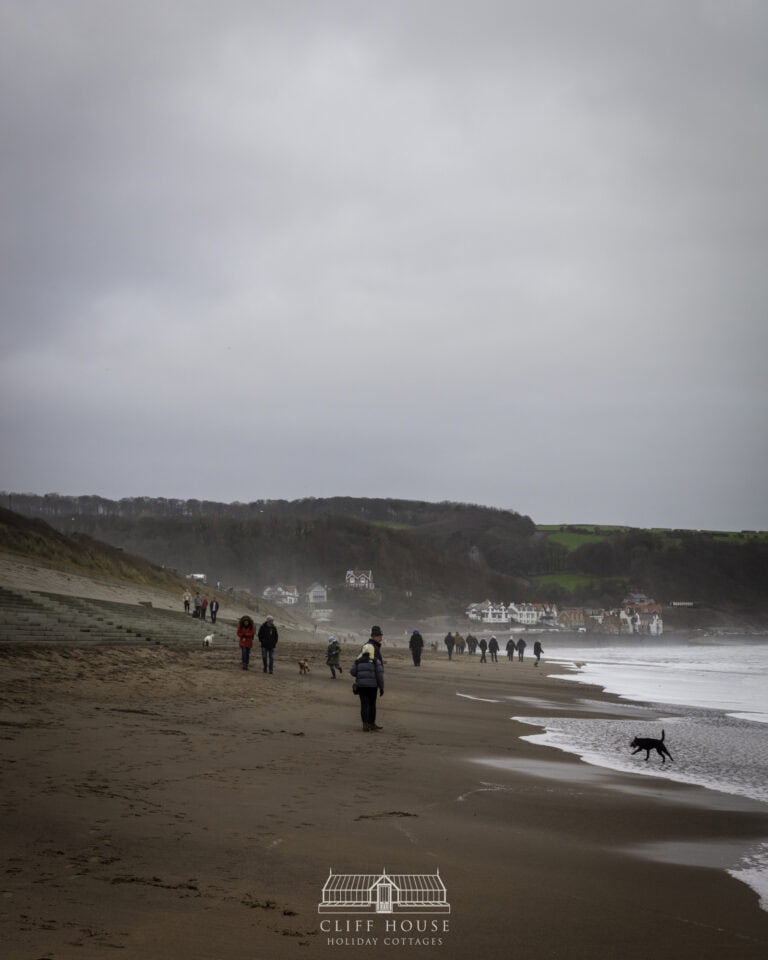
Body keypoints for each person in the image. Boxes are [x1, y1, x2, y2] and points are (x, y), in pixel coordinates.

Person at [350, 642, 384, 732]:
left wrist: (360, 673)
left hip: (361, 686)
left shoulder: (358, 661)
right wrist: (381, 687)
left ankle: (365, 724)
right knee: (372, 705)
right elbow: (380, 675)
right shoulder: (375, 660)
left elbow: (352, 672)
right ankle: (371, 724)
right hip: (373, 687)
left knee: (364, 705)